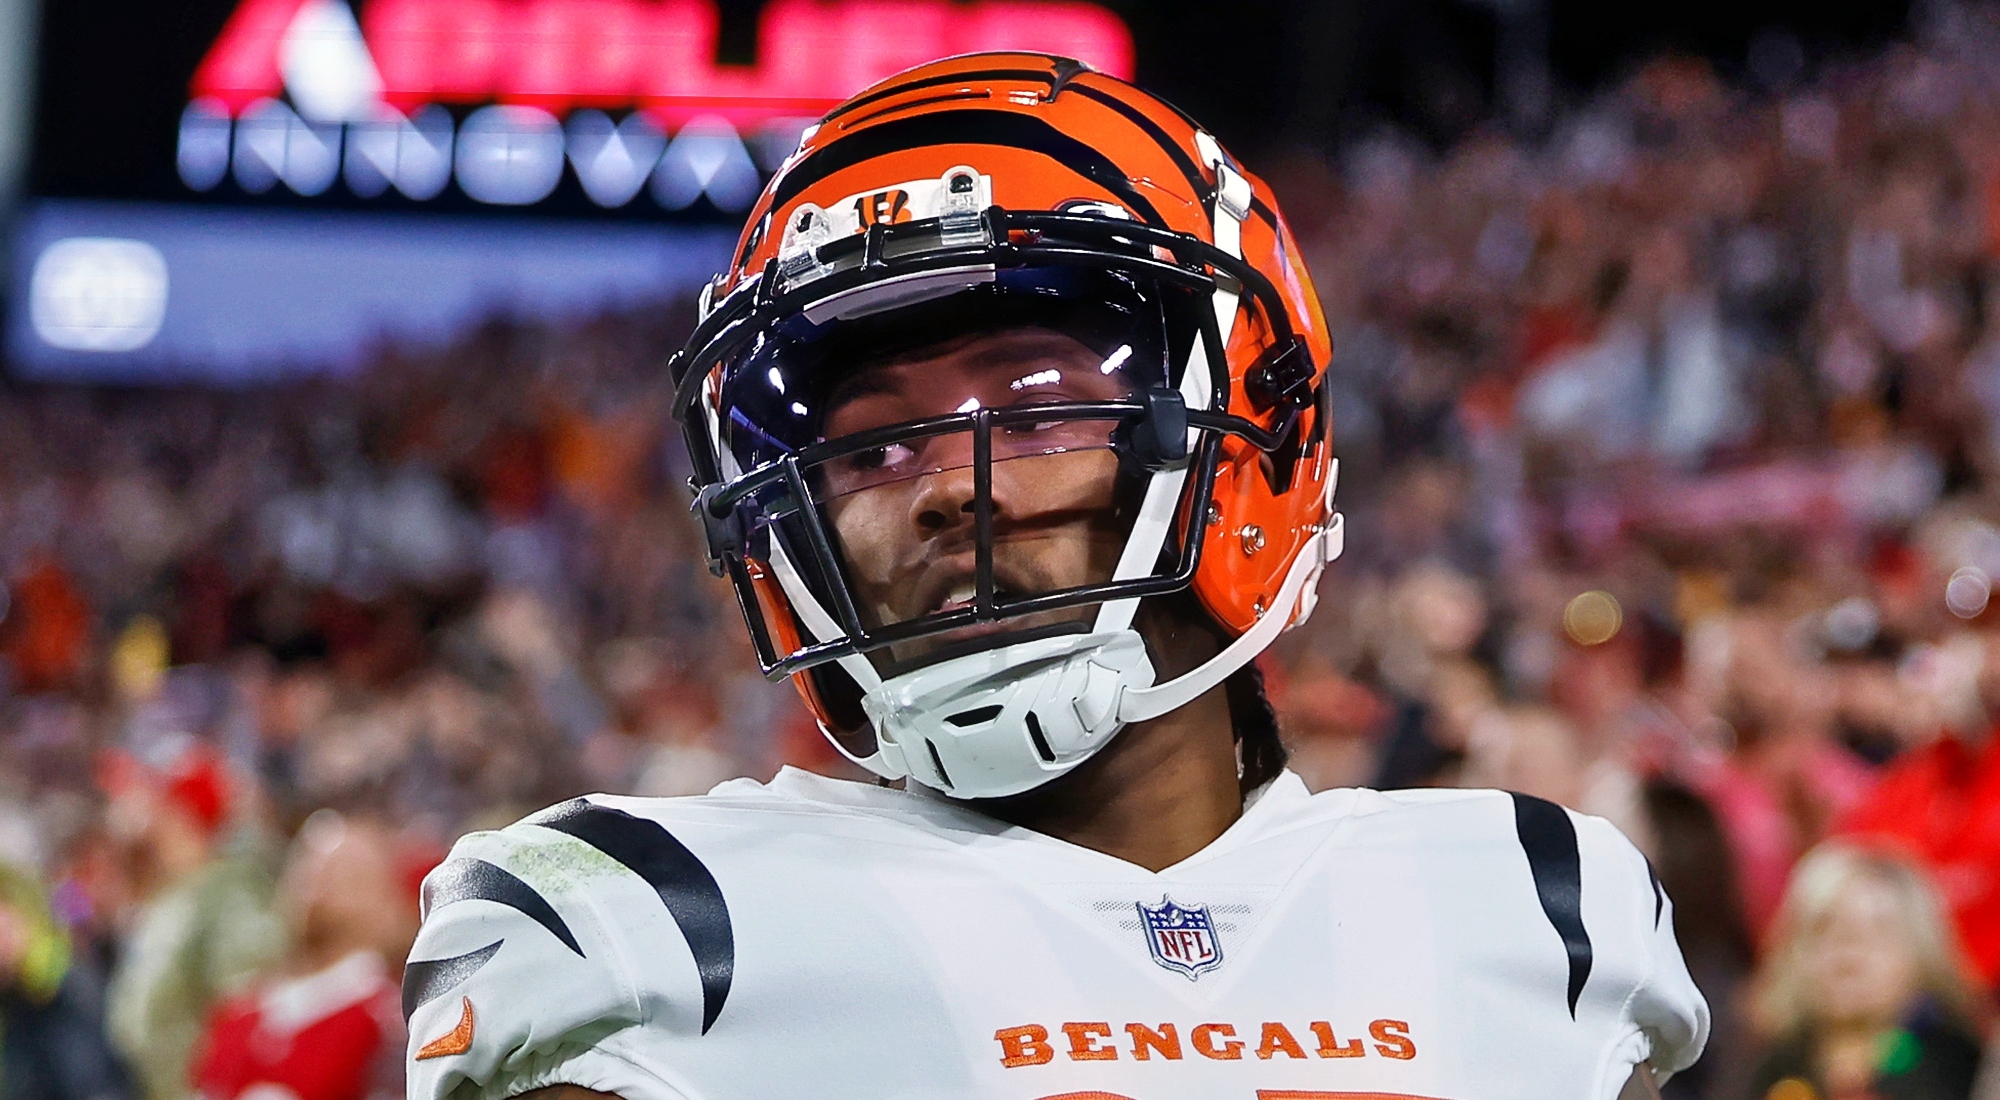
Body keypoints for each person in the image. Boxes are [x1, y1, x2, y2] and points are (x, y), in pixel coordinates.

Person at [403, 54, 1708, 1100]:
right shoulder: (642, 923)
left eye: (1036, 407)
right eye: (872, 443)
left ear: (1247, 431)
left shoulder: (1539, 903)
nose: (945, 484)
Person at [1740, 843, 1987, 1100]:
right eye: (1825, 928)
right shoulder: (1766, 1069)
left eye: (1877, 930)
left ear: (1921, 948)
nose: (1849, 953)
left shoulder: (1958, 1070)